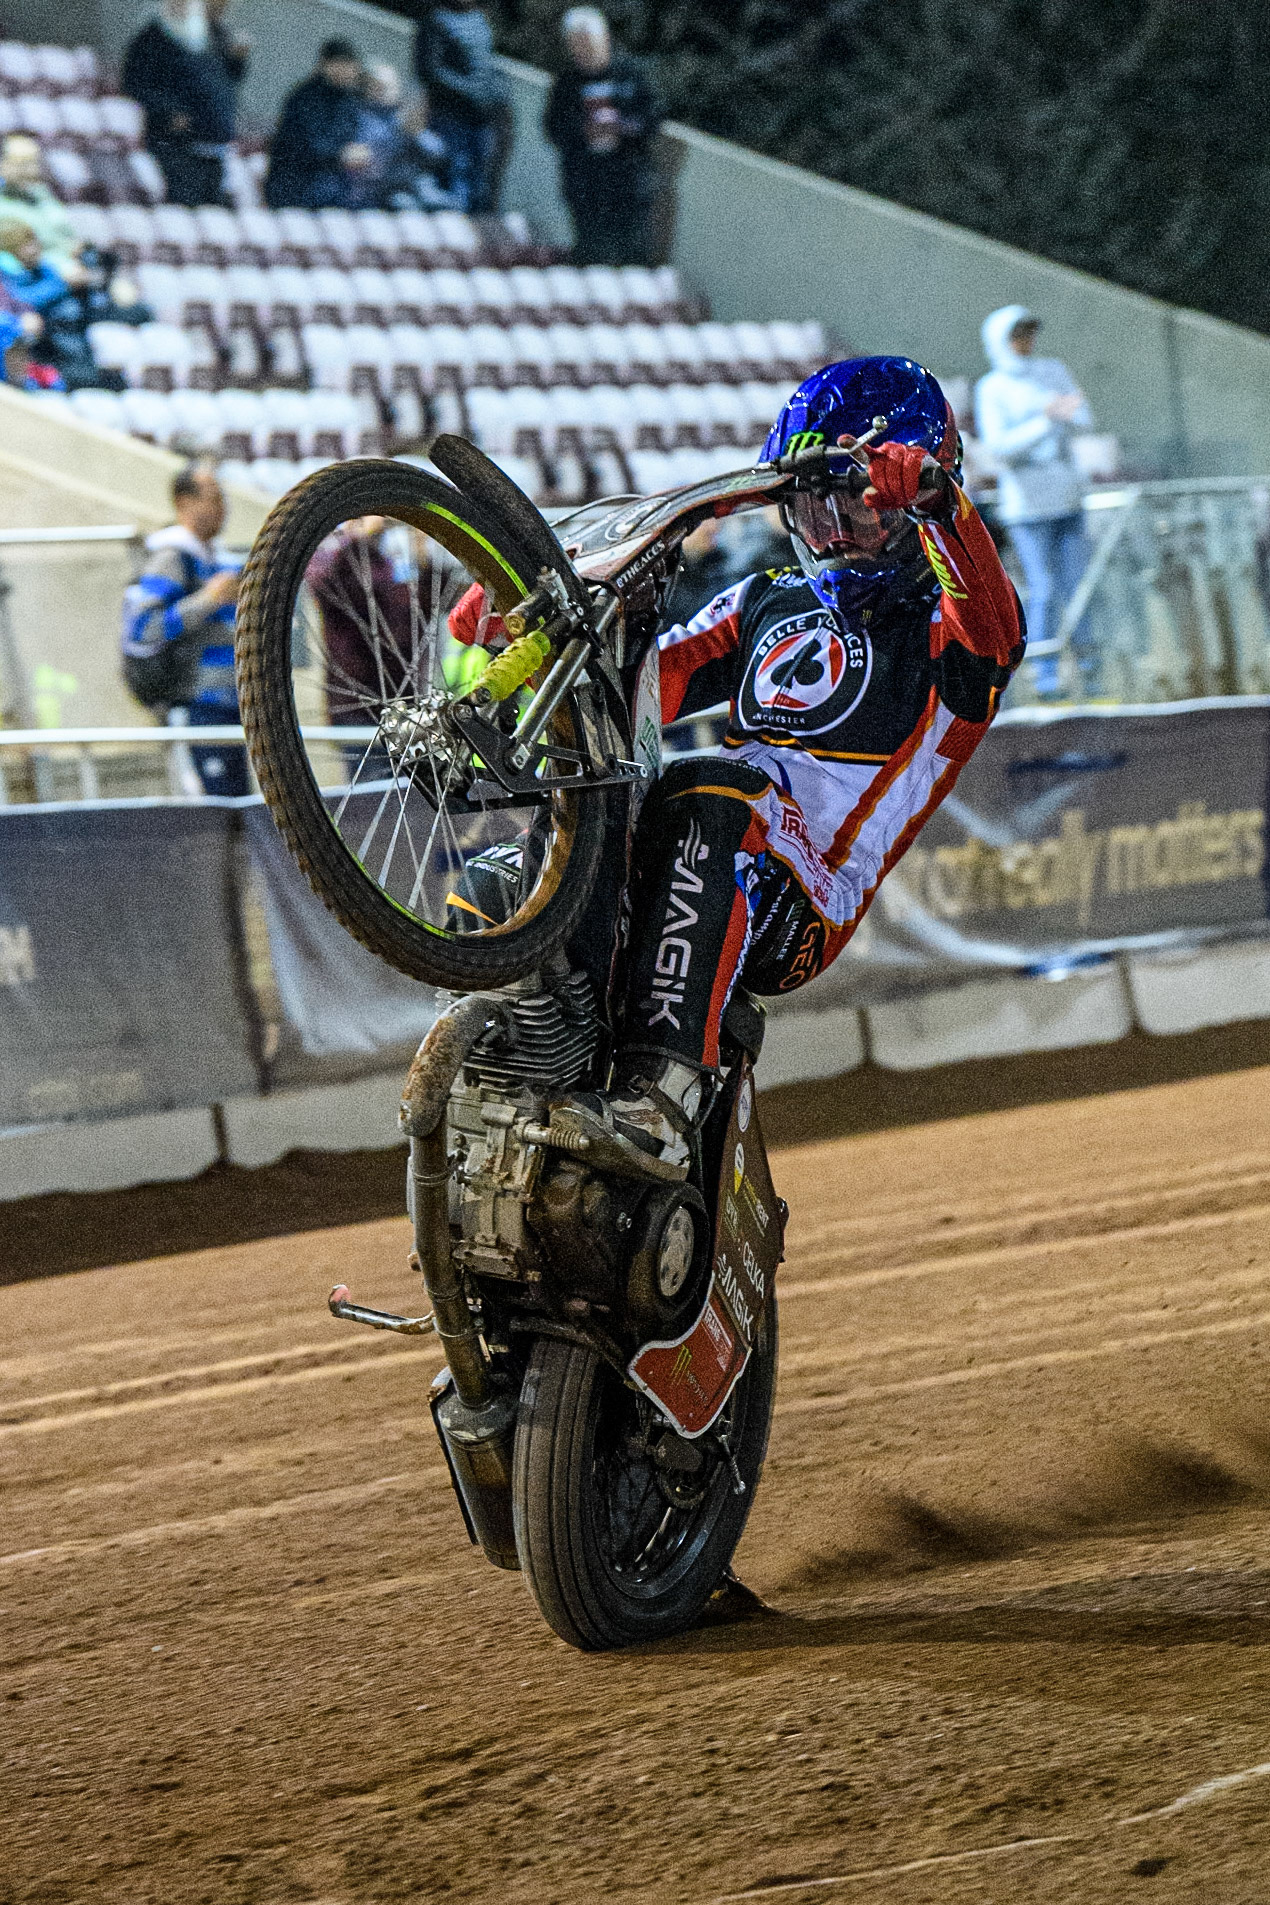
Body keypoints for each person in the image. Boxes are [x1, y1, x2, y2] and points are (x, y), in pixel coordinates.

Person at [449, 357, 1025, 1177]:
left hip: (804, 897)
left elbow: (994, 624)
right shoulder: (766, 598)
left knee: (711, 786)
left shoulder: (953, 624)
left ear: (911, 502)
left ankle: (664, 1093)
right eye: (812, 510)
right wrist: (526, 617)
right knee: (502, 871)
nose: (832, 535)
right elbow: (640, 679)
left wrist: (942, 506)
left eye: (858, 511)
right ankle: (493, 1083)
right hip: (704, 842)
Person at [975, 305, 1093, 696]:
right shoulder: (992, 387)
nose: (1025, 342)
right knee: (1042, 589)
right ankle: (1045, 677)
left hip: (1067, 497)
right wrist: (1046, 418)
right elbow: (1000, 447)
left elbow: (1083, 416)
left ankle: (1091, 671)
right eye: (1017, 335)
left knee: (1079, 587)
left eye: (1028, 334)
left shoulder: (1052, 370)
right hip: (1027, 505)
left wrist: (1057, 415)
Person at [121, 463, 247, 797]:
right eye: (212, 498)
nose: (222, 509)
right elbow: (142, 629)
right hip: (198, 706)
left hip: (233, 705)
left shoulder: (217, 559)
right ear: (184, 503)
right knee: (215, 809)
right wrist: (206, 600)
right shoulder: (171, 557)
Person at [544, 7, 662, 267]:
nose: (584, 51)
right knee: (593, 258)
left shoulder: (631, 74)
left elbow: (653, 120)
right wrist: (583, 130)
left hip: (629, 184)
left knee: (634, 258)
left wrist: (621, 126)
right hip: (587, 186)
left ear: (604, 39)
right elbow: (553, 128)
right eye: (577, 45)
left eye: (589, 43)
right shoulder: (566, 83)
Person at [121, 0, 245, 207]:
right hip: (176, 146)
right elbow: (135, 86)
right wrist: (168, 113)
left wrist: (237, 61)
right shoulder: (152, 39)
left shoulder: (212, 37)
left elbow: (222, 83)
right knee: (185, 209)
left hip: (213, 148)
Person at [0, 218, 142, 391]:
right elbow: (21, 300)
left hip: (76, 339)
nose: (36, 248)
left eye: (35, 241)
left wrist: (88, 280)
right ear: (9, 247)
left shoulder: (45, 268)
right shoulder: (7, 273)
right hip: (46, 350)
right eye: (28, 243)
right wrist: (64, 284)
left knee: (137, 313)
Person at [413, 1, 510, 215]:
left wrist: (496, 91)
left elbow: (486, 65)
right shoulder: (436, 22)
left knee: (479, 187)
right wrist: (470, 93)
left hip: (481, 124)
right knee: (451, 188)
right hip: (450, 122)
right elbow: (429, 71)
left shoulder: (479, 20)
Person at [264, 40, 375, 212]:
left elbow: (350, 135)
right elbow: (306, 145)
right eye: (341, 64)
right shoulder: (305, 97)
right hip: (295, 189)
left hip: (331, 189)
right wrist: (341, 155)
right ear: (326, 64)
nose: (348, 71)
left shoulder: (349, 100)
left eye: (351, 66)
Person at [357, 63, 458, 212]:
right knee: (405, 206)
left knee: (450, 207)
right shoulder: (362, 118)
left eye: (390, 86)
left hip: (420, 187)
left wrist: (418, 134)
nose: (385, 91)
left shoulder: (406, 115)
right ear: (367, 89)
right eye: (378, 86)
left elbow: (439, 153)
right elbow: (372, 157)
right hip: (386, 190)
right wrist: (399, 134)